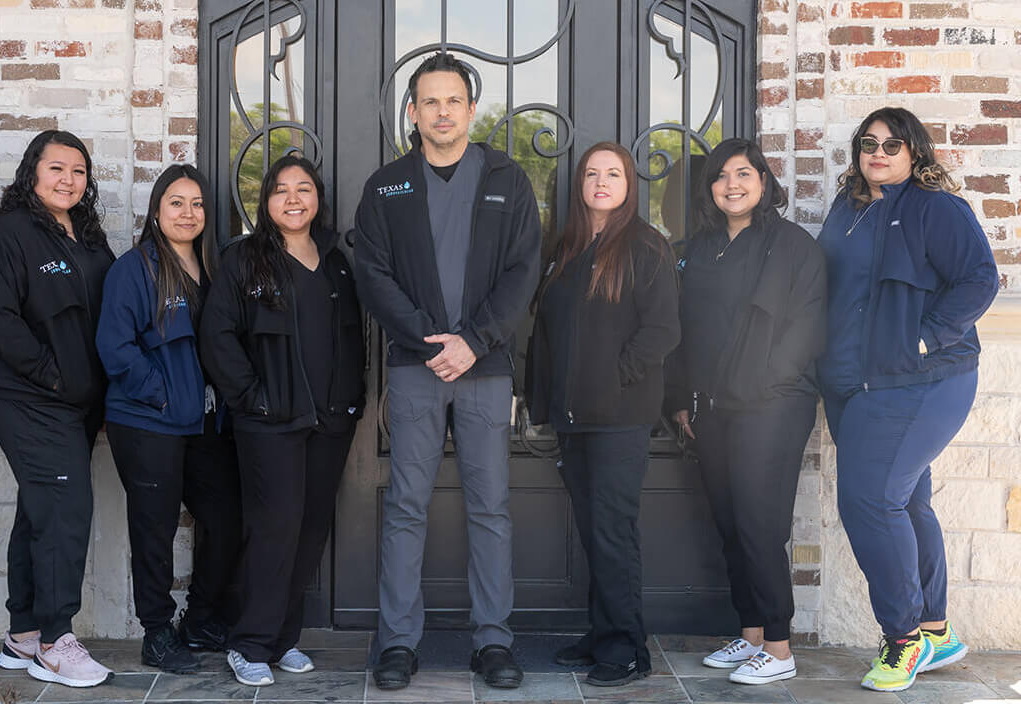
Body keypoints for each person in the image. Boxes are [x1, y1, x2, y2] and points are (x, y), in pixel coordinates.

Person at [354, 52, 541, 691]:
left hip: (486, 370)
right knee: (407, 505)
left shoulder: (507, 179)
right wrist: (430, 341)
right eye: (429, 101)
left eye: (453, 100)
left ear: (469, 108)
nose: (442, 111)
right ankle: (398, 643)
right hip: (415, 367)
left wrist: (474, 340)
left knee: (490, 507)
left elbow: (523, 271)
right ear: (412, 111)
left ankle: (492, 641)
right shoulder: (386, 185)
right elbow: (371, 274)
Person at [817, 107, 996, 692]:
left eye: (893, 145)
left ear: (914, 152)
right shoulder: (847, 209)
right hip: (851, 380)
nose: (879, 152)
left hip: (919, 378)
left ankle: (903, 639)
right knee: (906, 500)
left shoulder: (934, 206)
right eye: (869, 143)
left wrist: (925, 336)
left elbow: (979, 278)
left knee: (868, 501)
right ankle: (936, 630)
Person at [199, 155, 365, 687]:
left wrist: (353, 400)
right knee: (274, 528)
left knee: (310, 529)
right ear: (265, 203)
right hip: (270, 421)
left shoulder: (336, 260)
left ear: (318, 198)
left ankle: (283, 638)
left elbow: (352, 336)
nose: (294, 199)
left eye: (304, 188)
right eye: (281, 190)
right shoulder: (245, 259)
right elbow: (217, 336)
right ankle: (248, 642)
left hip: (331, 422)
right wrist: (252, 398)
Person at [666, 138, 826, 685]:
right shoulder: (702, 247)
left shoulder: (791, 243)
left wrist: (765, 383)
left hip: (772, 405)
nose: (731, 184)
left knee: (760, 524)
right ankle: (752, 635)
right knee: (731, 523)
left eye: (743, 173)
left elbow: (806, 326)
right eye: (720, 176)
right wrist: (684, 400)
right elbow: (686, 332)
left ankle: (780, 650)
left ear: (763, 181)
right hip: (712, 408)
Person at [525, 142, 679, 687]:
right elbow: (549, 331)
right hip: (574, 417)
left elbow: (662, 331)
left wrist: (615, 378)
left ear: (629, 184)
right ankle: (603, 631)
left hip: (619, 415)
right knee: (594, 531)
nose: (601, 182)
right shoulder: (566, 247)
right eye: (592, 173)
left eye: (613, 173)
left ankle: (627, 649)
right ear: (580, 184)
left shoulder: (646, 245)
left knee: (614, 531)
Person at [0, 130, 116, 688]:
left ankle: (24, 632)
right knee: (66, 506)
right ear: (33, 172)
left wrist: (95, 391)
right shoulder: (10, 233)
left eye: (78, 171)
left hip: (76, 400)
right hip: (29, 395)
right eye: (56, 168)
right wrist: (52, 377)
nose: (68, 180)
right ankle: (57, 643)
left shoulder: (87, 236)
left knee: (40, 507)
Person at [95, 165, 243, 674]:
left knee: (225, 518)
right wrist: (163, 394)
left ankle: (199, 621)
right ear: (156, 210)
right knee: (154, 530)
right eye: (176, 202)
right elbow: (114, 349)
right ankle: (156, 634)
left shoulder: (214, 268)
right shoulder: (133, 270)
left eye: (197, 203)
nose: (188, 213)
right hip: (148, 422)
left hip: (203, 425)